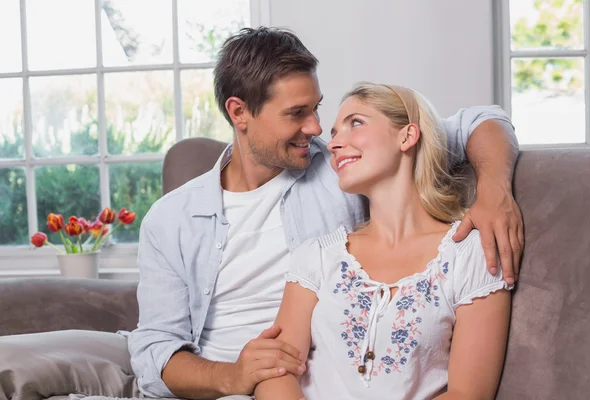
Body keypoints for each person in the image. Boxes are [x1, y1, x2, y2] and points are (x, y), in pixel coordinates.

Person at [127, 27, 522, 399]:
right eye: (297, 113)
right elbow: (156, 350)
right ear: (239, 112)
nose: (317, 129)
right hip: (230, 382)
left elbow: (480, 121)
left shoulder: (341, 169)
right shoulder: (172, 219)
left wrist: (494, 189)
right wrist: (234, 376)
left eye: (317, 109)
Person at [254, 83, 513, 400]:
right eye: (335, 133)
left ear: (407, 136)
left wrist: (495, 187)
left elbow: (468, 394)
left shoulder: (470, 255)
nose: (334, 144)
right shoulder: (318, 256)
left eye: (356, 123)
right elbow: (274, 373)